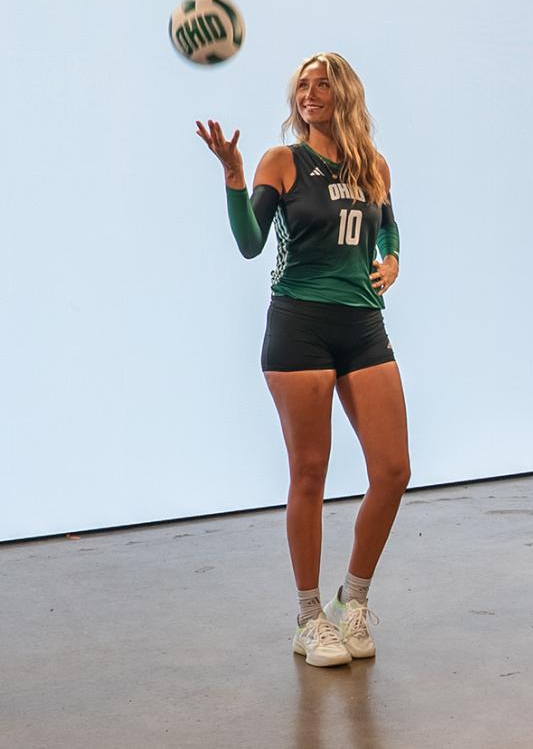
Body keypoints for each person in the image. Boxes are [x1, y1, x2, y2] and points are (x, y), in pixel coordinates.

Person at [196, 52, 411, 668]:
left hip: (363, 323)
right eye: (301, 87)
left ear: (344, 94)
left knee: (393, 471)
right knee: (310, 474)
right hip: (299, 325)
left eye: (321, 85)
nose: (309, 95)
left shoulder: (373, 166)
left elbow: (388, 229)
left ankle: (354, 600)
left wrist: (392, 260)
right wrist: (236, 177)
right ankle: (309, 616)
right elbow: (248, 243)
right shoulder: (282, 160)